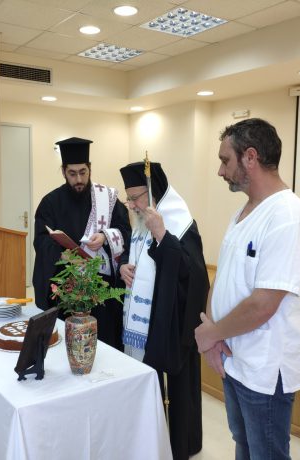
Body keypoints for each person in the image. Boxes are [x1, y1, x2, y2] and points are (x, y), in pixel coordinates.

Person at [194, 118, 300, 460]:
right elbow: (223, 277)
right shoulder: (243, 213)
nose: (221, 171)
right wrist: (213, 333)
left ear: (250, 157)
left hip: (265, 366)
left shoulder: (289, 217)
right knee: (244, 444)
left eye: (225, 161)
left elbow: (264, 303)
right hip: (235, 357)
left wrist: (212, 334)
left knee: (266, 453)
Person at [119, 162, 209, 460]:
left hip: (171, 328)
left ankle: (176, 446)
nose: (133, 205)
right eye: (129, 199)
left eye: (136, 197)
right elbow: (138, 259)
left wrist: (162, 236)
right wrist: (124, 267)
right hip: (143, 328)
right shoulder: (141, 223)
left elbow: (193, 277)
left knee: (176, 395)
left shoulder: (180, 224)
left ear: (154, 193)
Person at [32, 137, 130, 350]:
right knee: (68, 344)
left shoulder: (107, 199)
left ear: (90, 169)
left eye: (83, 172)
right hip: (67, 290)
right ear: (63, 172)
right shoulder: (50, 203)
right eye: (72, 173)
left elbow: (125, 231)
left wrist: (104, 236)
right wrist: (64, 256)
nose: (79, 179)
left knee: (105, 345)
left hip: (102, 291)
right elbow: (41, 240)